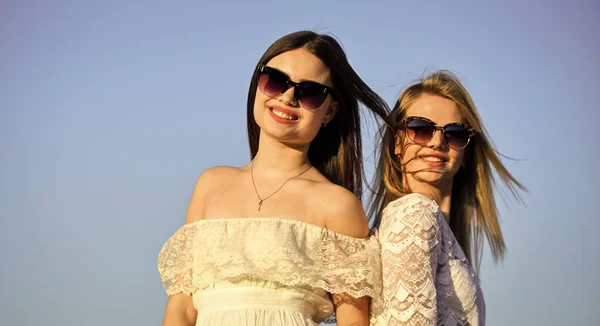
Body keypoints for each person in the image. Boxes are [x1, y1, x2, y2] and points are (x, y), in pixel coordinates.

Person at [157, 30, 390, 326]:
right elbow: (181, 309)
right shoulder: (210, 185)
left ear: (330, 110)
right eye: (275, 80)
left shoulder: (338, 205)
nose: (287, 97)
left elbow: (353, 321)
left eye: (309, 92)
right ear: (258, 83)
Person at [368, 70, 526, 325]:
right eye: (420, 128)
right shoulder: (415, 213)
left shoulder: (433, 225)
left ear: (465, 151)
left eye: (454, 133)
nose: (437, 142)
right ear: (396, 143)